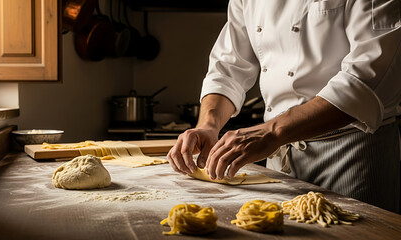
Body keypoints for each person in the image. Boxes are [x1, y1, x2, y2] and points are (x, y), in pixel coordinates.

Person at [167, 0, 401, 213]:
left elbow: (367, 78)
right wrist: (208, 125)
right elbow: (228, 69)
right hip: (278, 152)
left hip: (351, 151)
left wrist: (271, 131)